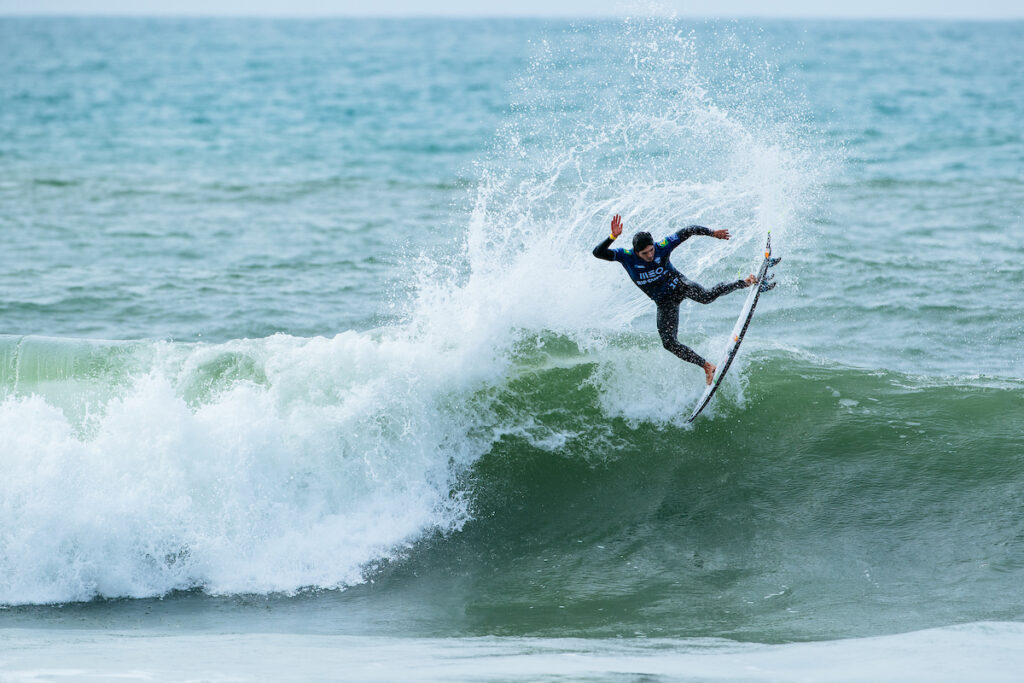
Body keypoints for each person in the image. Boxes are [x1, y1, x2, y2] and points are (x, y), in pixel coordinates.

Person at [593, 214, 772, 385]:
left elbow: (688, 230)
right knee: (669, 343)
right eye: (645, 253)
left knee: (706, 297)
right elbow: (597, 253)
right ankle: (707, 366)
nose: (650, 255)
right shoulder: (626, 256)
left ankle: (745, 282)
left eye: (651, 250)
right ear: (636, 252)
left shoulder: (662, 246)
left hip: (678, 285)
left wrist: (712, 233)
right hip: (664, 302)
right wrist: (612, 237)